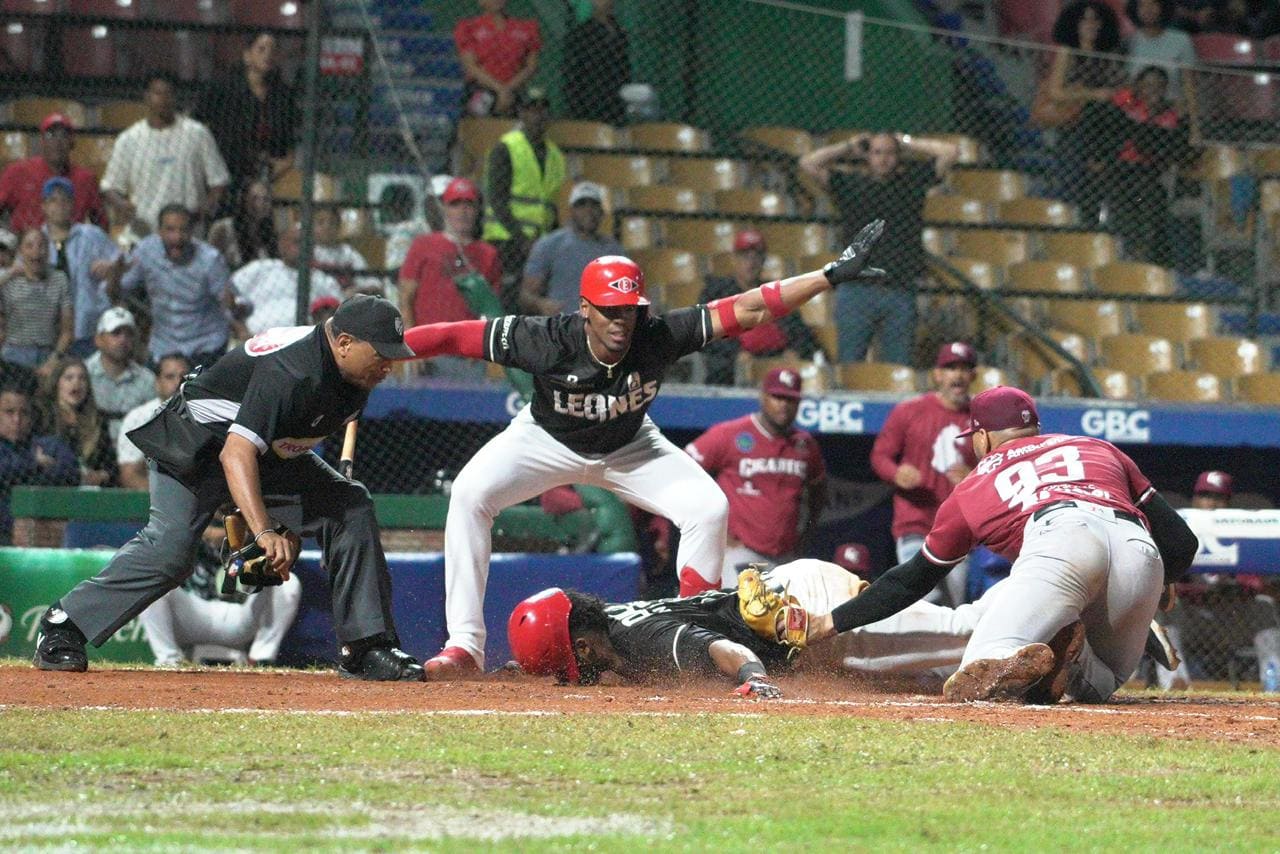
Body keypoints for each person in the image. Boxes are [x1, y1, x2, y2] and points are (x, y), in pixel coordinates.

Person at [400, 219, 888, 677]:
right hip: (545, 438)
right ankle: (465, 645)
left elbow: (751, 307)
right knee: (468, 494)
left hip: (631, 444)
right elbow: (454, 336)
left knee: (708, 508)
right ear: (584, 309)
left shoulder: (656, 336)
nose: (621, 322)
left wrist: (828, 275)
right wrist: (392, 347)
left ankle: (698, 632)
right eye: (609, 311)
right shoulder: (545, 338)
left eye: (630, 311)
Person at [32, 295, 425, 681]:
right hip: (196, 446)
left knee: (349, 503)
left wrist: (281, 521)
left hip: (264, 454)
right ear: (344, 343)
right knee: (170, 552)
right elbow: (235, 455)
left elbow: (287, 445)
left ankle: (366, 648)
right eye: (382, 354)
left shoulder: (356, 373)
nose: (389, 365)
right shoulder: (294, 369)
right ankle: (63, 625)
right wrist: (266, 530)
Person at [805, 386, 1200, 704]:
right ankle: (1076, 648)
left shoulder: (974, 484)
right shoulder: (1096, 448)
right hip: (1139, 548)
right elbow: (1182, 543)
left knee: (978, 672)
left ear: (981, 437)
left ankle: (1063, 645)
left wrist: (833, 621)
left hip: (1061, 541)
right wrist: (1161, 585)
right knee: (1103, 685)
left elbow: (913, 579)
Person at [507, 559, 988, 697]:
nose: (571, 674)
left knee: (964, 635)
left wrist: (754, 678)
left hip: (807, 618)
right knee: (927, 678)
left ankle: (1055, 604)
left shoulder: (637, 639)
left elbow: (719, 648)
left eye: (568, 663)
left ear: (585, 648)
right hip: (789, 599)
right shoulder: (608, 622)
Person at [798, 132, 958, 364]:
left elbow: (950, 152)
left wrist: (905, 141)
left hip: (899, 289)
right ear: (867, 156)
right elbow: (807, 163)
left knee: (898, 367)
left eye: (890, 153)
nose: (884, 159)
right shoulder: (849, 184)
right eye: (877, 152)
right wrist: (848, 146)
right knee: (849, 367)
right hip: (856, 290)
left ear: (899, 156)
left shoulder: (912, 183)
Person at [685, 367, 827, 586]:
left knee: (783, 618)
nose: (783, 405)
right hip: (740, 551)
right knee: (740, 614)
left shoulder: (805, 444)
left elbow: (818, 493)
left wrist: (803, 538)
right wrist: (714, 531)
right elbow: (685, 473)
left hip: (785, 556)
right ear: (763, 396)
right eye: (777, 397)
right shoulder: (729, 433)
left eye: (791, 399)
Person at [870, 342, 978, 607]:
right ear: (937, 375)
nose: (958, 375)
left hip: (957, 528)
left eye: (965, 368)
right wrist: (896, 473)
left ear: (973, 376)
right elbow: (880, 456)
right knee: (925, 597)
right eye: (950, 367)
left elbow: (997, 465)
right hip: (914, 523)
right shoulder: (910, 410)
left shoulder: (980, 418)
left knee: (953, 607)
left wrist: (975, 476)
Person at [138, 515, 302, 667]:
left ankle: (260, 659)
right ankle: (169, 661)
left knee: (288, 583)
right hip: (193, 611)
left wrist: (239, 534)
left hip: (239, 615)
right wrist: (207, 532)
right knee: (152, 585)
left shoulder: (254, 515)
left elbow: (278, 538)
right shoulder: (191, 513)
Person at [100, 71, 230, 239]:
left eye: (168, 93)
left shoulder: (198, 134)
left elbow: (219, 181)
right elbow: (109, 186)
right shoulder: (129, 139)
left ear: (176, 97)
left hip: (188, 235)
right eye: (157, 93)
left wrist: (205, 208)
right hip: (144, 235)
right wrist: (122, 205)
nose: (163, 99)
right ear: (146, 97)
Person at [398, 177, 501, 381]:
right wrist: (410, 344)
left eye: (468, 204)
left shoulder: (488, 254)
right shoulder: (422, 246)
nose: (462, 211)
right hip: (426, 353)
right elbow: (405, 298)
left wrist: (482, 347)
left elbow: (490, 308)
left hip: (467, 355)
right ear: (444, 208)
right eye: (455, 204)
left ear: (477, 209)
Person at [112, 204, 233, 368]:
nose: (177, 237)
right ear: (159, 231)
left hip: (205, 345)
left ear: (192, 232)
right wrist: (115, 275)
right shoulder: (146, 251)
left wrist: (235, 307)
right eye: (170, 230)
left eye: (183, 230)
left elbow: (233, 305)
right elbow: (116, 292)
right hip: (164, 345)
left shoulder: (210, 260)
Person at [696, 229, 821, 384]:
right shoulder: (717, 292)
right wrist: (736, 354)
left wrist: (794, 351)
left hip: (778, 364)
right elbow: (705, 332)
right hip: (733, 367)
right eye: (745, 256)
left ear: (763, 260)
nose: (752, 261)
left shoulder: (776, 292)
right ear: (734, 259)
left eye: (757, 256)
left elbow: (802, 334)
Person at [1040, 1, 1128, 218]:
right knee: (1071, 181)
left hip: (1103, 129)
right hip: (1074, 124)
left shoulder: (1108, 54)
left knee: (1097, 185)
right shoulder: (1067, 51)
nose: (1091, 24)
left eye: (1096, 19)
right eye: (1085, 19)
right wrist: (1091, 94)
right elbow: (1055, 92)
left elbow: (1120, 89)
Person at [194, 32, 298, 211]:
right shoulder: (223, 87)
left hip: (266, 171)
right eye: (261, 49)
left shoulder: (282, 95)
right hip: (226, 167)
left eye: (273, 50)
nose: (268, 55)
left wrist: (277, 167)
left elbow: (288, 147)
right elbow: (197, 124)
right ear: (247, 55)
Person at [482, 87, 565, 310]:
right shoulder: (506, 148)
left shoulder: (556, 156)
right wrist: (522, 239)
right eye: (531, 110)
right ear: (521, 113)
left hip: (539, 243)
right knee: (507, 300)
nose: (537, 116)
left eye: (542, 110)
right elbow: (496, 199)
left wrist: (550, 242)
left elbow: (550, 206)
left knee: (531, 303)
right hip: (506, 240)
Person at [41, 176, 124, 357]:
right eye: (53, 200)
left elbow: (124, 260)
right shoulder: (38, 241)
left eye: (65, 200)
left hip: (87, 327)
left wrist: (112, 267)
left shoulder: (91, 235)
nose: (59, 205)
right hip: (48, 331)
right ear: (44, 206)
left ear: (73, 205)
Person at [519, 181, 621, 316]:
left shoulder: (613, 250)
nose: (588, 210)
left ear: (602, 212)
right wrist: (542, 305)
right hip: (562, 325)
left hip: (601, 325)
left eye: (594, 205)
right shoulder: (550, 244)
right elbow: (526, 295)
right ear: (571, 211)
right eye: (581, 204)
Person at [230, 223, 341, 337]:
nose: (304, 247)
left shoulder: (324, 281)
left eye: (309, 243)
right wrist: (241, 330)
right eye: (297, 242)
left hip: (304, 343)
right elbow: (226, 296)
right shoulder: (260, 268)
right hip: (255, 341)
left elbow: (337, 316)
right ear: (281, 244)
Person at [0, 113, 106, 232]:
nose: (57, 141)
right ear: (42, 141)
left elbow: (101, 223)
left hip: (71, 246)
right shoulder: (17, 172)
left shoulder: (86, 179)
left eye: (64, 135)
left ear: (72, 143)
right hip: (26, 245)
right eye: (51, 135)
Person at [0, 384, 78, 543]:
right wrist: (35, 464)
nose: (17, 420)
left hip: (43, 524)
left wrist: (22, 469)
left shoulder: (49, 445)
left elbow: (71, 471)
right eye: (9, 412)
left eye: (24, 413)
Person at [34, 355, 115, 487]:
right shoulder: (42, 414)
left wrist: (101, 475)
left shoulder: (98, 420)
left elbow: (111, 464)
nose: (76, 383)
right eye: (69, 378)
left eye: (82, 378)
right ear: (57, 383)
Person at [0, 227, 72, 375]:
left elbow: (67, 330)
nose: (36, 251)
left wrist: (54, 360)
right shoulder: (9, 280)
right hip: (14, 352)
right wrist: (9, 275)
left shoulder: (59, 279)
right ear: (20, 251)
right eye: (29, 246)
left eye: (41, 246)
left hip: (49, 352)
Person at [453, 0, 542, 117]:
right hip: (482, 88)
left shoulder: (527, 28)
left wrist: (508, 90)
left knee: (530, 115)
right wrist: (500, 90)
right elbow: (471, 66)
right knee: (476, 115)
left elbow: (531, 66)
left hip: (514, 88)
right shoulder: (468, 27)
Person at [116, 352, 189, 490]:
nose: (178, 382)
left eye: (184, 377)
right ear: (157, 383)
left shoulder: (206, 415)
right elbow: (129, 475)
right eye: (169, 377)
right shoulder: (138, 418)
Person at [84, 307, 155, 442]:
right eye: (116, 333)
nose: (123, 339)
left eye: (129, 334)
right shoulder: (83, 374)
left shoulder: (147, 380)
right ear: (98, 339)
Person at [562, 0, 630, 125]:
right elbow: (572, 73)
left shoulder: (621, 33)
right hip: (589, 98)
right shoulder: (582, 33)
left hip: (615, 100)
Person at [1127, 0, 1197, 102]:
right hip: (1136, 109)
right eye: (1142, 5)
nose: (1148, 9)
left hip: (1172, 109)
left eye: (1153, 4)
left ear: (1163, 7)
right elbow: (1126, 84)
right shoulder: (1129, 42)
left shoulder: (1182, 40)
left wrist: (1191, 116)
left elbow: (1189, 83)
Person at [207, 179, 279, 271]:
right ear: (244, 200)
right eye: (255, 198)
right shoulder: (223, 228)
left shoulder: (268, 232)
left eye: (266, 199)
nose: (261, 203)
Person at [311, 206, 380, 296]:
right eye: (320, 223)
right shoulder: (310, 253)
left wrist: (361, 289)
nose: (327, 227)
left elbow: (371, 280)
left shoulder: (348, 252)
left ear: (339, 226)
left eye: (332, 222)